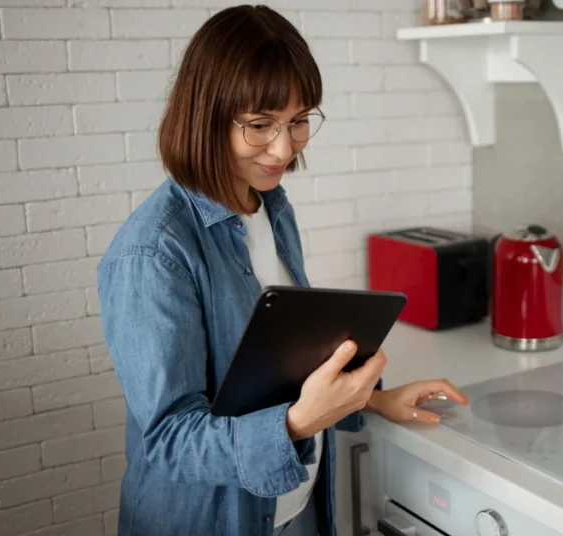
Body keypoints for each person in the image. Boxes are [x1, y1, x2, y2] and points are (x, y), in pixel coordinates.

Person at [96, 5, 469, 536]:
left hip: (294, 510)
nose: (283, 147)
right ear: (205, 116)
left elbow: (283, 369)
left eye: (298, 121)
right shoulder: (153, 253)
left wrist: (375, 399)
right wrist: (298, 423)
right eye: (259, 125)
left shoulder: (269, 206)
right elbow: (168, 441)